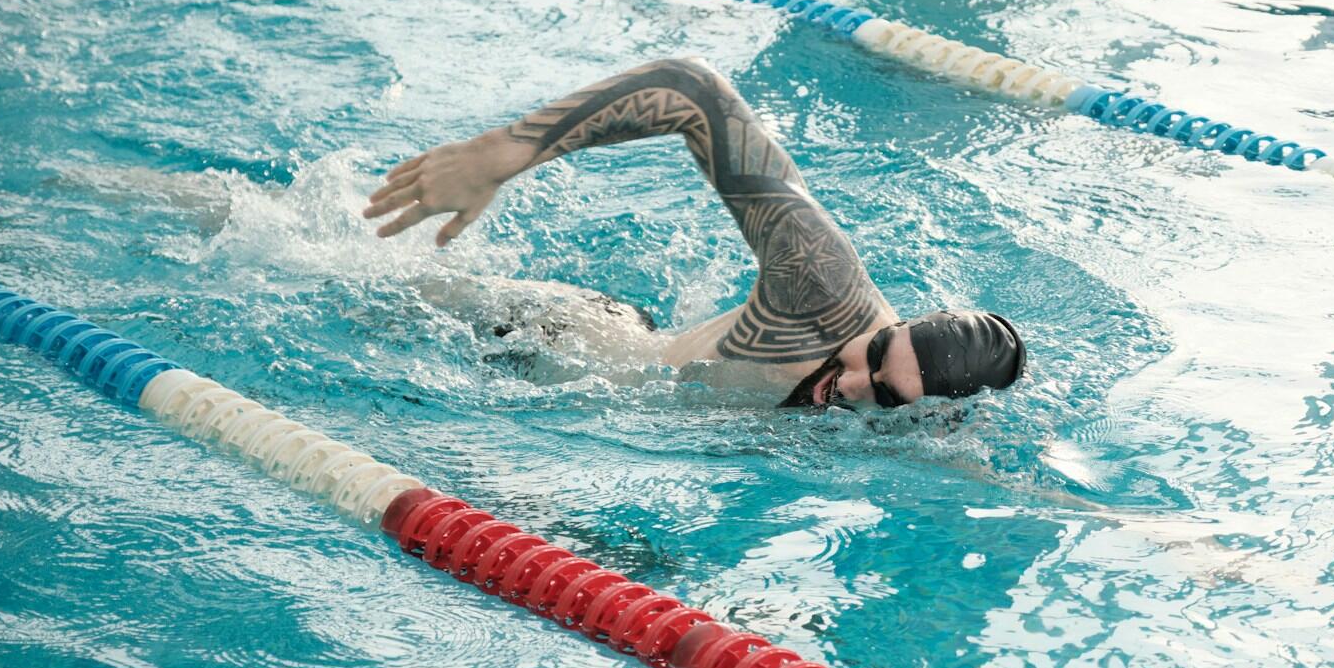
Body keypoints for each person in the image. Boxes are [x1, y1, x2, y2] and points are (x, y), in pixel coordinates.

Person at [363, 56, 1024, 409]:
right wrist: (501, 153)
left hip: (632, 383)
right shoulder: (822, 288)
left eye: (885, 395)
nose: (853, 382)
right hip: (548, 336)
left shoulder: (927, 434)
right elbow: (692, 90)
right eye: (874, 353)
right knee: (358, 282)